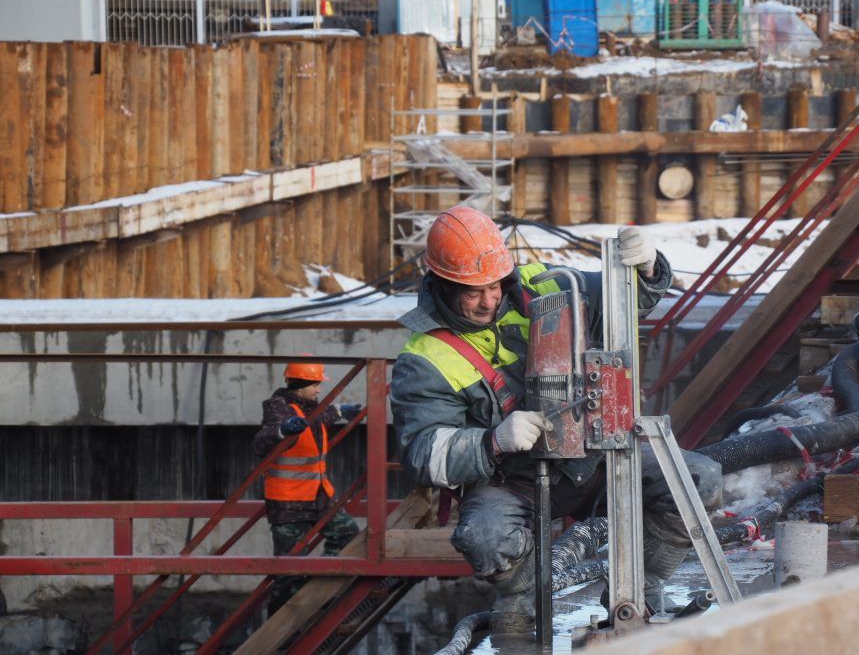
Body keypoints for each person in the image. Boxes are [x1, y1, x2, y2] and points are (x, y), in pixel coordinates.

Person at [390, 206, 722, 634]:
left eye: (494, 286)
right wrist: (493, 441)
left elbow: (627, 299)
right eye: (473, 292)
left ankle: (642, 590)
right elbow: (422, 453)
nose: (489, 301)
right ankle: (523, 599)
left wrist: (646, 268)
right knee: (485, 540)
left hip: (592, 454)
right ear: (443, 284)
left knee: (699, 482)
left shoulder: (545, 286)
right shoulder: (424, 358)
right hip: (512, 480)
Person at [252, 361, 362, 614]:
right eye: (314, 384)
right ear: (299, 386)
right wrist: (281, 432)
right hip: (288, 503)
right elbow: (261, 443)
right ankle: (278, 630)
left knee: (346, 534)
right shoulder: (278, 408)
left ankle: (318, 586)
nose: (318, 389)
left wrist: (340, 411)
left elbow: (322, 415)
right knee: (290, 570)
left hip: (318, 496)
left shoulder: (309, 407)